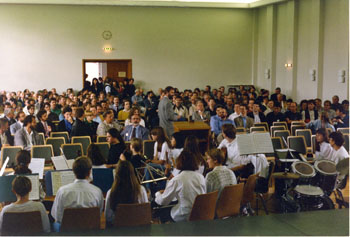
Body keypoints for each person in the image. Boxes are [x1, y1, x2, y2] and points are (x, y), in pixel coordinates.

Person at [51, 157, 104, 231]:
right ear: (89, 173)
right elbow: (99, 214)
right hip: (90, 232)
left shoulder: (62, 191)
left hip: (68, 232)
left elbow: (57, 217)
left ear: (74, 172)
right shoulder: (97, 191)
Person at [155, 150, 206, 222]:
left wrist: (157, 194)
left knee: (162, 211)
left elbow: (163, 201)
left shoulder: (177, 180)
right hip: (200, 212)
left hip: (186, 214)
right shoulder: (200, 177)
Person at [104, 160, 148, 227]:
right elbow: (145, 212)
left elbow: (108, 217)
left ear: (116, 174)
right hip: (137, 230)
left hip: (118, 230)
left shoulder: (111, 192)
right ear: (132, 173)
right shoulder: (141, 190)